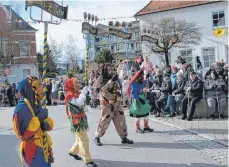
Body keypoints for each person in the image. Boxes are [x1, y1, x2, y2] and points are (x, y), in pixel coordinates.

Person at [13, 76, 54, 167]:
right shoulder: (22, 107)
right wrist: (39, 119)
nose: (42, 88)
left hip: (43, 146)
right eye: (39, 85)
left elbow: (47, 122)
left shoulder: (37, 103)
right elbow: (23, 133)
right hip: (33, 149)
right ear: (31, 89)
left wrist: (47, 124)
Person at [93, 64, 133, 146]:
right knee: (105, 120)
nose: (111, 70)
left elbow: (119, 89)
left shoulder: (116, 77)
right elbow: (102, 89)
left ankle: (123, 137)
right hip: (107, 103)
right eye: (109, 69)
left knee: (121, 120)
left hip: (117, 102)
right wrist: (111, 81)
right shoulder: (101, 78)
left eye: (112, 68)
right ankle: (97, 137)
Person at [65, 77, 97, 167]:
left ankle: (73, 151)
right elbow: (79, 102)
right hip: (76, 120)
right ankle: (88, 160)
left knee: (80, 137)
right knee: (84, 139)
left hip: (81, 118)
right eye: (75, 83)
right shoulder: (69, 95)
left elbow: (81, 104)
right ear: (71, 85)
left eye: (78, 82)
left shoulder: (76, 93)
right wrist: (83, 93)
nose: (78, 84)